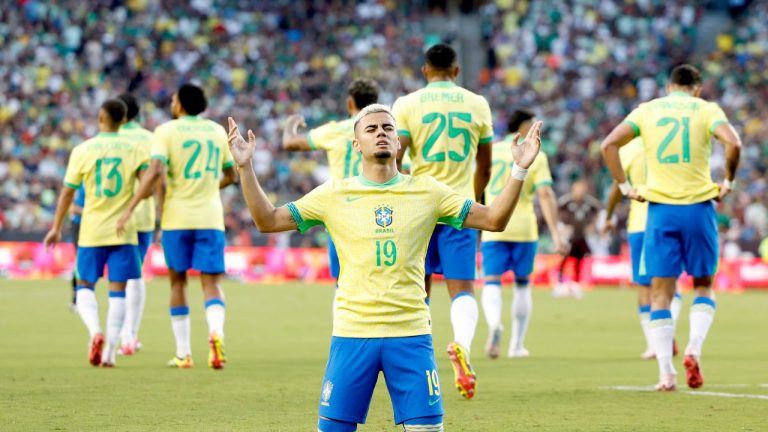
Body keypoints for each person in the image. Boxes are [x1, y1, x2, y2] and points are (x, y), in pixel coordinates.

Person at [227, 104, 542, 432]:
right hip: (352, 334)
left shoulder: (428, 191)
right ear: (356, 144)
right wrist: (245, 167)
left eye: (388, 128)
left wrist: (519, 170)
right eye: (372, 129)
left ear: (398, 142)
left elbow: (493, 219)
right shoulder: (334, 194)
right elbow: (268, 220)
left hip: (411, 335)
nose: (381, 133)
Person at [601, 64, 741, 391]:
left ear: (668, 87)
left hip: (660, 211)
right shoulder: (707, 109)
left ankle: (666, 374)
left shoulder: (647, 110)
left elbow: (609, 144)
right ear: (697, 88)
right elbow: (733, 144)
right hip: (699, 208)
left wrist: (624, 188)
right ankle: (693, 347)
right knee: (703, 285)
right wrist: (729, 181)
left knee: (661, 294)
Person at [392, 43, 494, 399]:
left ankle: (416, 360)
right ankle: (461, 344)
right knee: (462, 289)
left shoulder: (405, 105)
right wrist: (477, 201)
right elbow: (486, 166)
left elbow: (395, 156)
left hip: (419, 205)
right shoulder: (477, 104)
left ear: (424, 71)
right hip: (460, 206)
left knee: (417, 288)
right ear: (456, 71)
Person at [118, 84, 237, 369]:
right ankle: (216, 333)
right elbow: (232, 175)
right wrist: (210, 186)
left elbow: (155, 172)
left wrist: (131, 206)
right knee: (211, 284)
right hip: (210, 218)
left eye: (173, 99)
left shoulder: (166, 131)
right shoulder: (216, 131)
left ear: (181, 105)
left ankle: (184, 353)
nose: (171, 103)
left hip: (176, 218)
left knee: (178, 283)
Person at [44, 99, 149, 367]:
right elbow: (149, 182)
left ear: (101, 117)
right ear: (124, 120)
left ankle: (95, 332)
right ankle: (111, 353)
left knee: (84, 286)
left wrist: (56, 227)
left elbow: (68, 191)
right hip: (123, 231)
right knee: (118, 292)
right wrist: (131, 208)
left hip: (91, 231)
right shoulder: (134, 149)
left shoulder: (83, 150)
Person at [480, 109, 567, 359]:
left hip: (492, 223)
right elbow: (546, 194)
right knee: (522, 285)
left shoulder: (492, 151)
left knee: (491, 282)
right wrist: (556, 233)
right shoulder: (535, 153)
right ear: (525, 126)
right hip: (523, 227)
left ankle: (495, 324)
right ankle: (516, 345)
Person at [282, 78, 380, 280]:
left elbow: (290, 143)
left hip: (341, 213)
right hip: (376, 211)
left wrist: (291, 124)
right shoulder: (384, 132)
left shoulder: (335, 130)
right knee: (377, 278)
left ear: (350, 103)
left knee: (343, 282)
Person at [604, 137, 682, 360]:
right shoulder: (669, 144)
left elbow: (616, 187)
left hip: (640, 223)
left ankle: (654, 344)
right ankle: (669, 330)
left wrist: (608, 216)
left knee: (645, 287)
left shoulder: (630, 149)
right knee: (670, 282)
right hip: (670, 218)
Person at [116, 92, 157, 356]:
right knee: (136, 272)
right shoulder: (151, 138)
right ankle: (130, 334)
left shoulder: (109, 139)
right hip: (143, 215)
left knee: (118, 277)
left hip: (111, 215)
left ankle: (118, 335)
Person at [556, 179, 600, 296]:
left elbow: (597, 211)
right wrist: (562, 227)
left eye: (582, 189)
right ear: (573, 189)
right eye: (578, 189)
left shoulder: (589, 203)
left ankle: (576, 284)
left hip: (581, 236)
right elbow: (555, 210)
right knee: (564, 258)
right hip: (569, 236)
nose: (580, 192)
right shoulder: (566, 201)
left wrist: (592, 226)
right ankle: (560, 283)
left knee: (579, 261)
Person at [67, 185, 85, 310]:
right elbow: (72, 208)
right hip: (79, 225)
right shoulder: (78, 183)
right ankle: (76, 298)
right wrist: (93, 213)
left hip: (96, 224)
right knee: (80, 261)